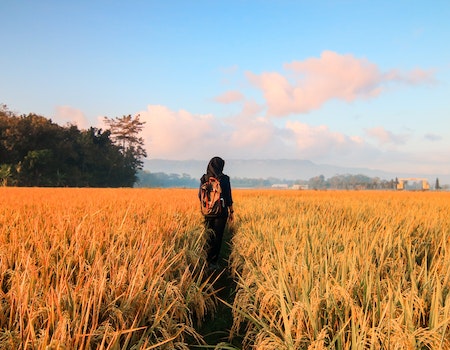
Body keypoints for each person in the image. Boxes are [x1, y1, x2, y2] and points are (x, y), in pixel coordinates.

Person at [199, 156, 234, 266]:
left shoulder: (204, 178)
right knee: (218, 237)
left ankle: (205, 260)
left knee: (208, 235)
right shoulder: (224, 179)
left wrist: (206, 206)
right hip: (221, 212)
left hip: (207, 212)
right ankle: (213, 262)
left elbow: (200, 195)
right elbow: (228, 196)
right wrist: (231, 212)